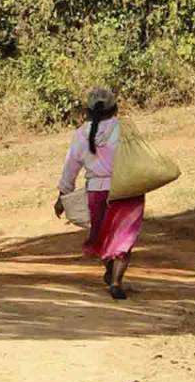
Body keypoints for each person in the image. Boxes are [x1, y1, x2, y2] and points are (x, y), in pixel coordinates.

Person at [55, 87, 145, 300]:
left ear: (87, 111)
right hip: (126, 189)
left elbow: (70, 167)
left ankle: (110, 268)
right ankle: (116, 281)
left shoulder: (81, 134)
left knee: (102, 236)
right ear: (115, 109)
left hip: (96, 192)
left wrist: (62, 196)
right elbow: (140, 156)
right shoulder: (124, 128)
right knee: (124, 237)